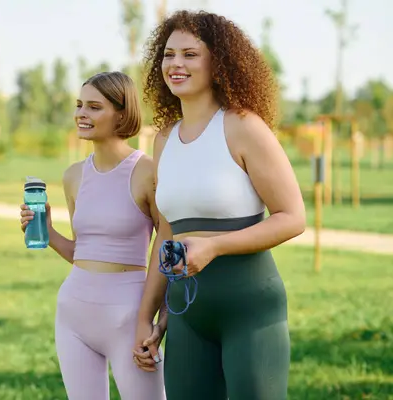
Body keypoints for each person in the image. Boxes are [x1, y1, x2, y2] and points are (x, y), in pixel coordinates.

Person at [131, 10, 306, 400]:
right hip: (185, 315)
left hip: (249, 310)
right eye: (169, 54)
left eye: (190, 54)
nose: (176, 64)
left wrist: (215, 246)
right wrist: (148, 318)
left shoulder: (243, 126)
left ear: (218, 62)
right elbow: (166, 233)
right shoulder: (163, 140)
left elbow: (293, 218)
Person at [19, 71, 166, 400]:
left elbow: (165, 246)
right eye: (79, 105)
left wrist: (158, 317)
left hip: (129, 315)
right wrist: (46, 231)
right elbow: (82, 252)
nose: (81, 114)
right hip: (73, 312)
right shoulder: (73, 176)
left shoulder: (148, 172)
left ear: (122, 113)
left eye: (94, 107)